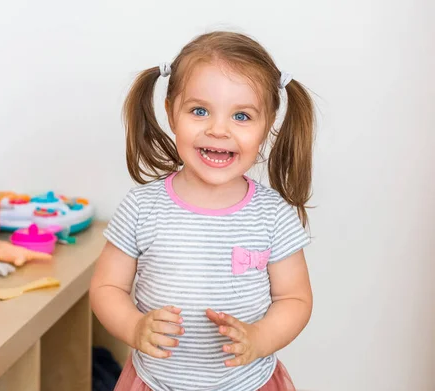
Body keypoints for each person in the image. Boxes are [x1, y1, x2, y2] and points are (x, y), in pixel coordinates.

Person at [90, 31, 315, 391]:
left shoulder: (273, 216)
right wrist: (134, 326)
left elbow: (295, 299)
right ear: (170, 112)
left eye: (242, 116)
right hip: (157, 383)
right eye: (199, 111)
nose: (218, 129)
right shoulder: (141, 207)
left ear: (268, 125)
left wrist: (260, 337)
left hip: (248, 383)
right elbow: (107, 286)